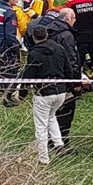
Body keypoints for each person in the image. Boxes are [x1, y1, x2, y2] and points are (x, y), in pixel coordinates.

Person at [21, 25, 70, 165]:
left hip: (44, 94)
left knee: (41, 125)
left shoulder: (34, 54)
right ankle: (59, 144)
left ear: (33, 37)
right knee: (51, 116)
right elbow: (68, 68)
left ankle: (43, 158)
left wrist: (22, 93)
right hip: (60, 91)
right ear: (47, 35)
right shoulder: (60, 49)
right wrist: (69, 87)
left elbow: (28, 76)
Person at [43, 8, 83, 148]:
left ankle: (49, 140)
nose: (75, 21)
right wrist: (75, 82)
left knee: (51, 113)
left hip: (48, 77)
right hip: (65, 80)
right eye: (74, 18)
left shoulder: (49, 31)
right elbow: (72, 59)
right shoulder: (67, 36)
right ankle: (62, 142)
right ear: (67, 19)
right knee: (66, 113)